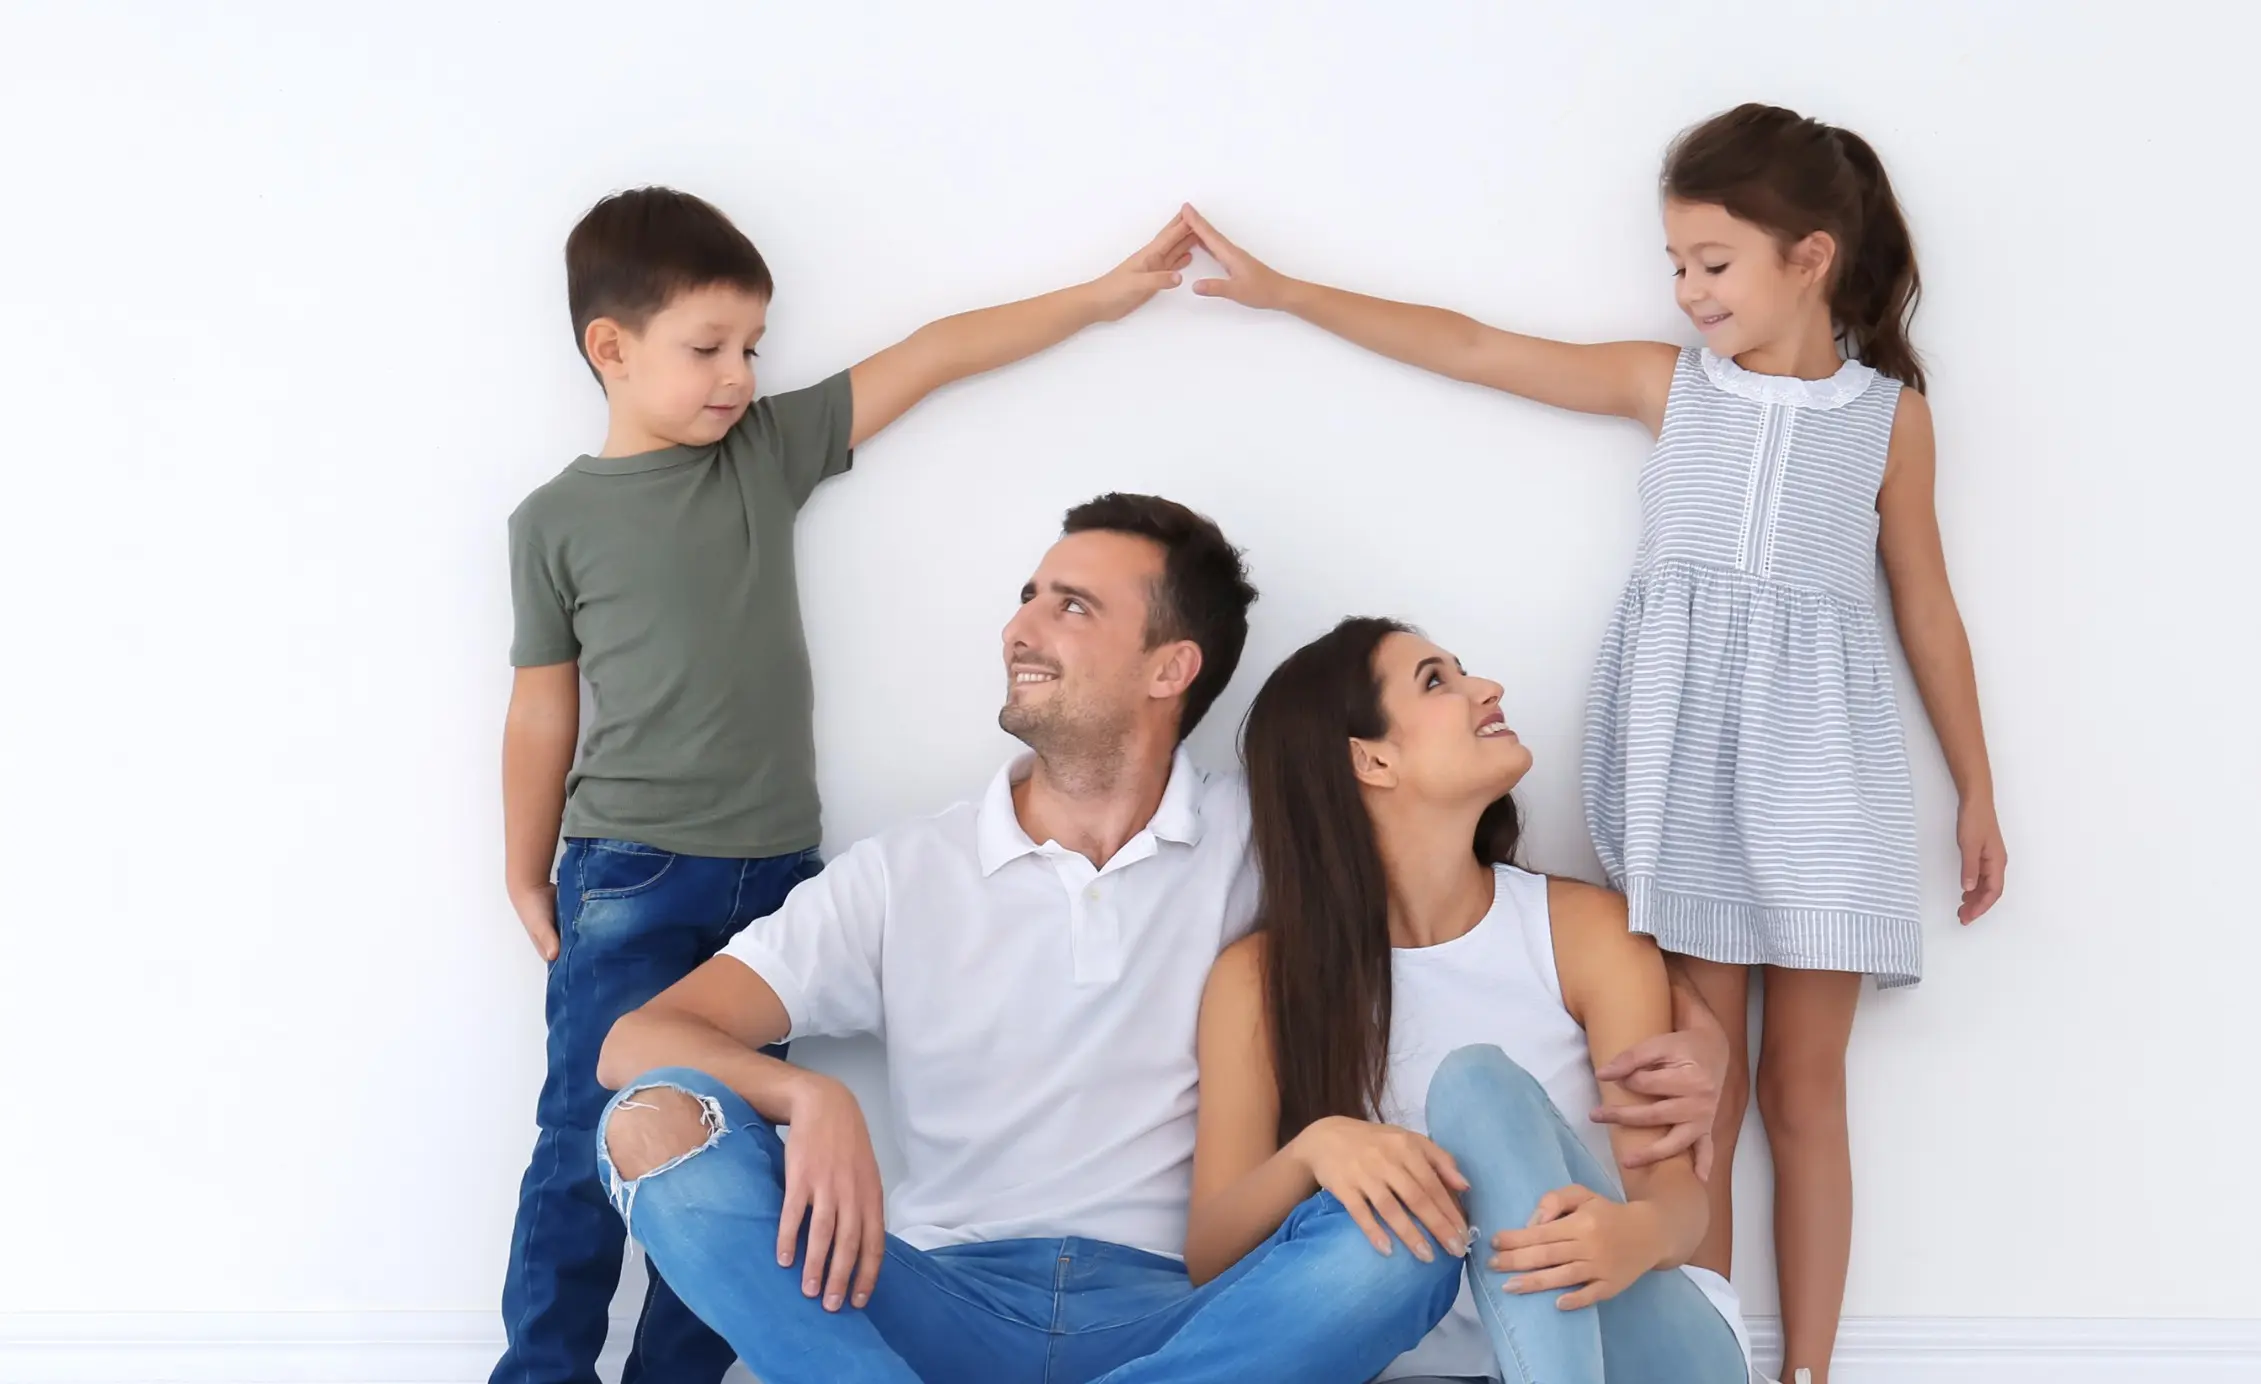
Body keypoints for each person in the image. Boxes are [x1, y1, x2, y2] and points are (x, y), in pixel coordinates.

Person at [1178, 104, 2007, 1382]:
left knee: (1804, 1093)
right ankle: (1704, 1344)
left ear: (1810, 256)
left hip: (1825, 777)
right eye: (1673, 264)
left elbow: (1926, 607)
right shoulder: (1664, 385)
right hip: (1691, 771)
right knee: (1697, 1093)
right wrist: (1287, 292)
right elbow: (1470, 347)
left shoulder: (1885, 419)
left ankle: (1806, 1370)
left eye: (1710, 263)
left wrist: (1974, 791)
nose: (1685, 291)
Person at [589, 495, 1727, 1383]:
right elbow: (640, 1039)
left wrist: (1706, 1036)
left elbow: (1460, 903)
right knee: (652, 1128)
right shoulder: (903, 874)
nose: (1018, 626)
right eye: (1027, 594)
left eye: (1070, 605)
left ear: (1169, 668)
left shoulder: (1264, 838)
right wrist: (805, 1098)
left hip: (1195, 1316)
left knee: (1412, 1219)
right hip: (937, 1300)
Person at [496, 188, 1200, 1384]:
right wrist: (523, 867)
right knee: (583, 1141)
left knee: (737, 1149)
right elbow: (541, 705)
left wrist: (1097, 298)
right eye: (706, 349)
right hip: (626, 872)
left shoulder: (762, 454)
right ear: (608, 349)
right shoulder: (553, 520)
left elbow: (929, 356)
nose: (738, 375)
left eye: (751, 348)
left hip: (777, 875)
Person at [1187, 617, 1754, 1384]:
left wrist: (1635, 1233)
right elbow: (1210, 1253)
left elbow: (1678, 1200)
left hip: (1643, 1344)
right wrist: (1316, 1147)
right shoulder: (1258, 981)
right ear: (1370, 758)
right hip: (1427, 1367)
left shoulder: (1582, 933)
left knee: (1476, 1084)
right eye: (1435, 681)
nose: (1486, 690)